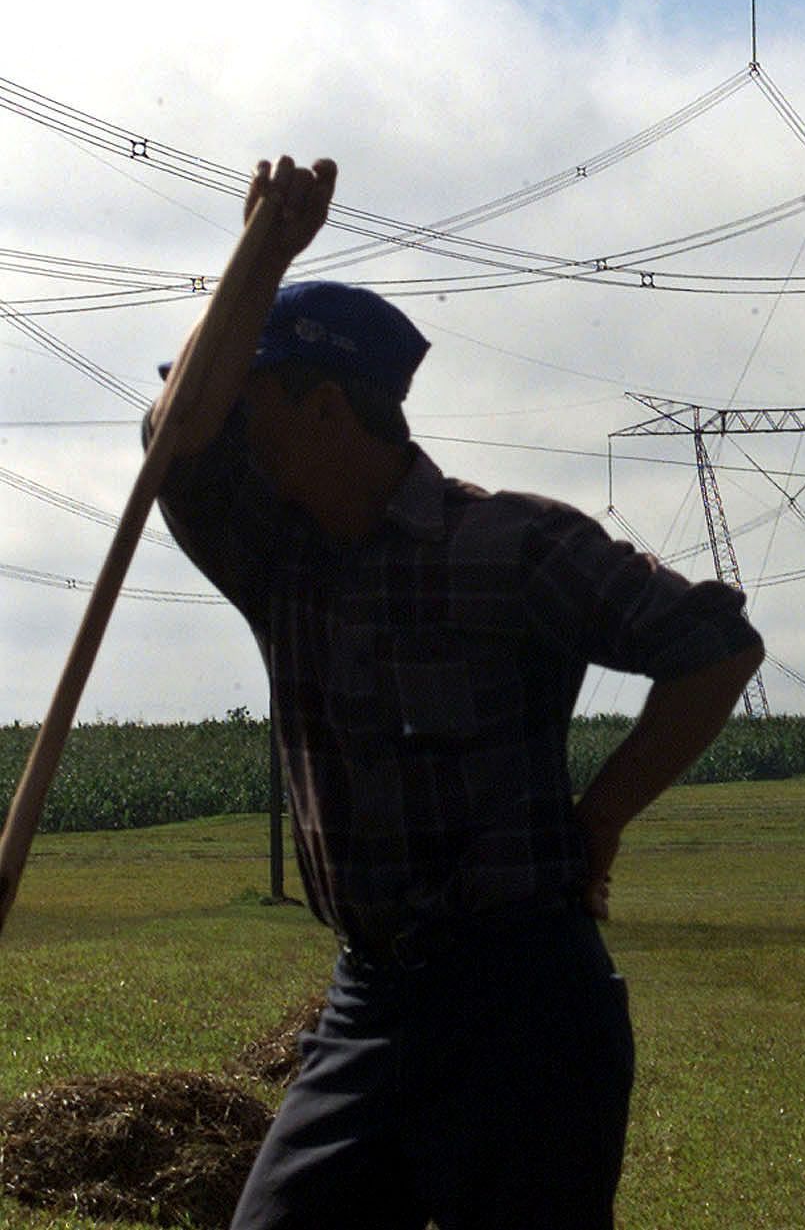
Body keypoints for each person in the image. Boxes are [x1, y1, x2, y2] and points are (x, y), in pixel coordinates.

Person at [147, 156, 765, 1230]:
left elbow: (716, 649)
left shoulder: (513, 546)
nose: (243, 435)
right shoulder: (274, 560)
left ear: (326, 406)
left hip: (523, 1003)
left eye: (263, 407)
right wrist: (261, 254)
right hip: (368, 1005)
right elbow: (176, 434)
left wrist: (599, 820)